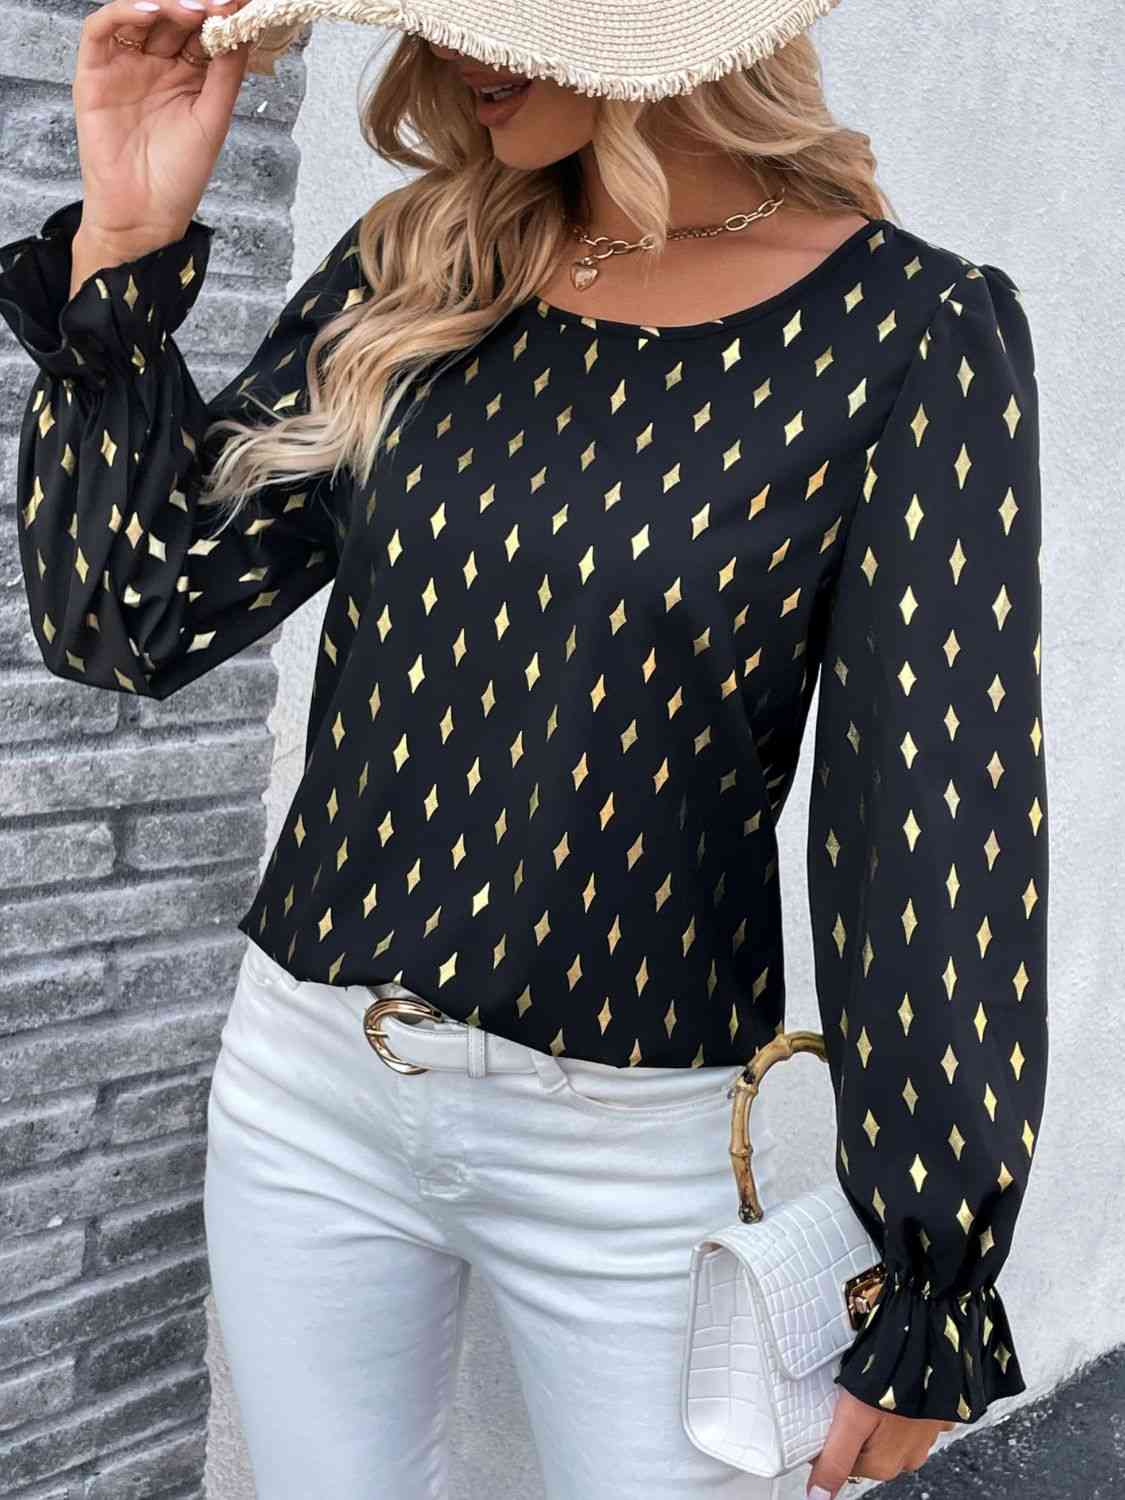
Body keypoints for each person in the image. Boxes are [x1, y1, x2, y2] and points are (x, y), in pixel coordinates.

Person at [0, 0, 1048, 1496]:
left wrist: (931, 1273)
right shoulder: (424, 262)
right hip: (309, 1082)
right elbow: (129, 615)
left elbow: (933, 826)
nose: (457, 54)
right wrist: (124, 236)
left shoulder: (908, 331)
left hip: (625, 1144)